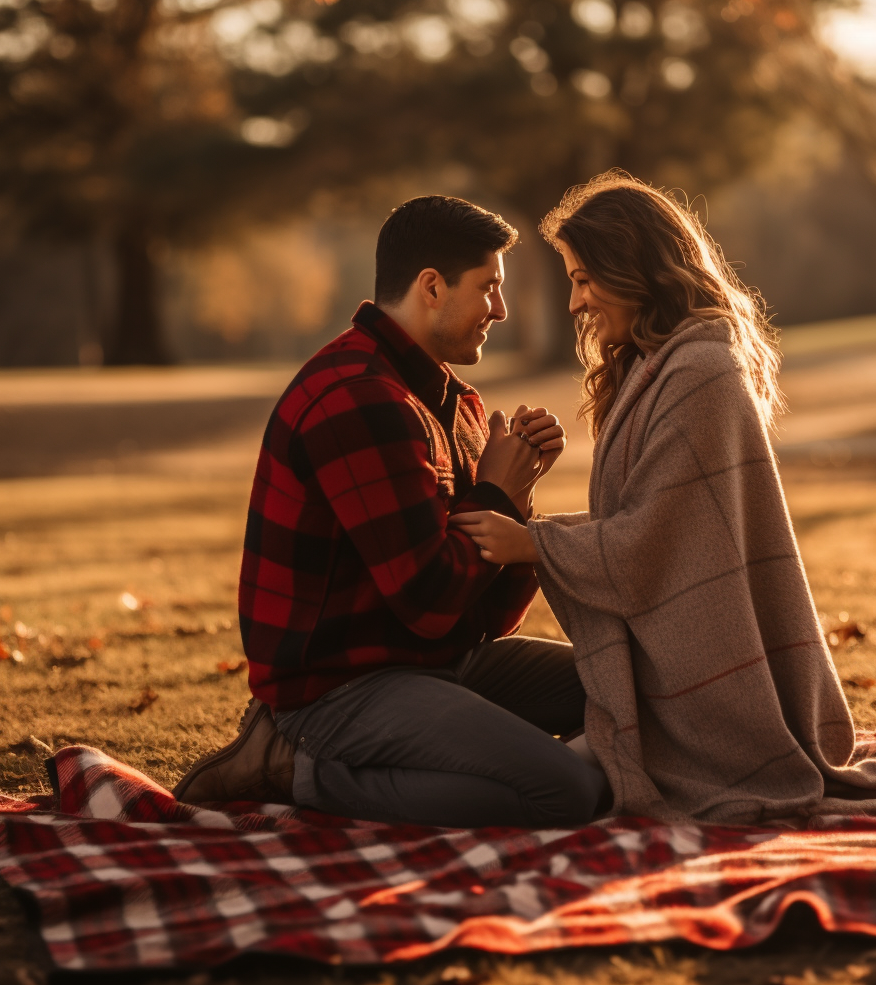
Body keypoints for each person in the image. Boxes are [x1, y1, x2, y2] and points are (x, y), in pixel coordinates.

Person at [451, 170, 876, 823]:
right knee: (548, 770)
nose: (575, 303)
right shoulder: (659, 365)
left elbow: (651, 544)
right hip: (679, 683)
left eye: (582, 277)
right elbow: (652, 524)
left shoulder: (700, 372)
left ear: (633, 266)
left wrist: (531, 542)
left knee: (562, 787)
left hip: (714, 708)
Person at [173, 194, 608, 828]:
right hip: (339, 689)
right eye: (488, 288)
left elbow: (486, 618)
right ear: (432, 286)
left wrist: (515, 494)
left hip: (437, 662)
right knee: (566, 793)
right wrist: (492, 492)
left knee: (625, 690)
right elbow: (430, 602)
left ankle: (477, 758)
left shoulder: (456, 404)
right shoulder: (357, 397)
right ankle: (294, 766)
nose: (501, 309)